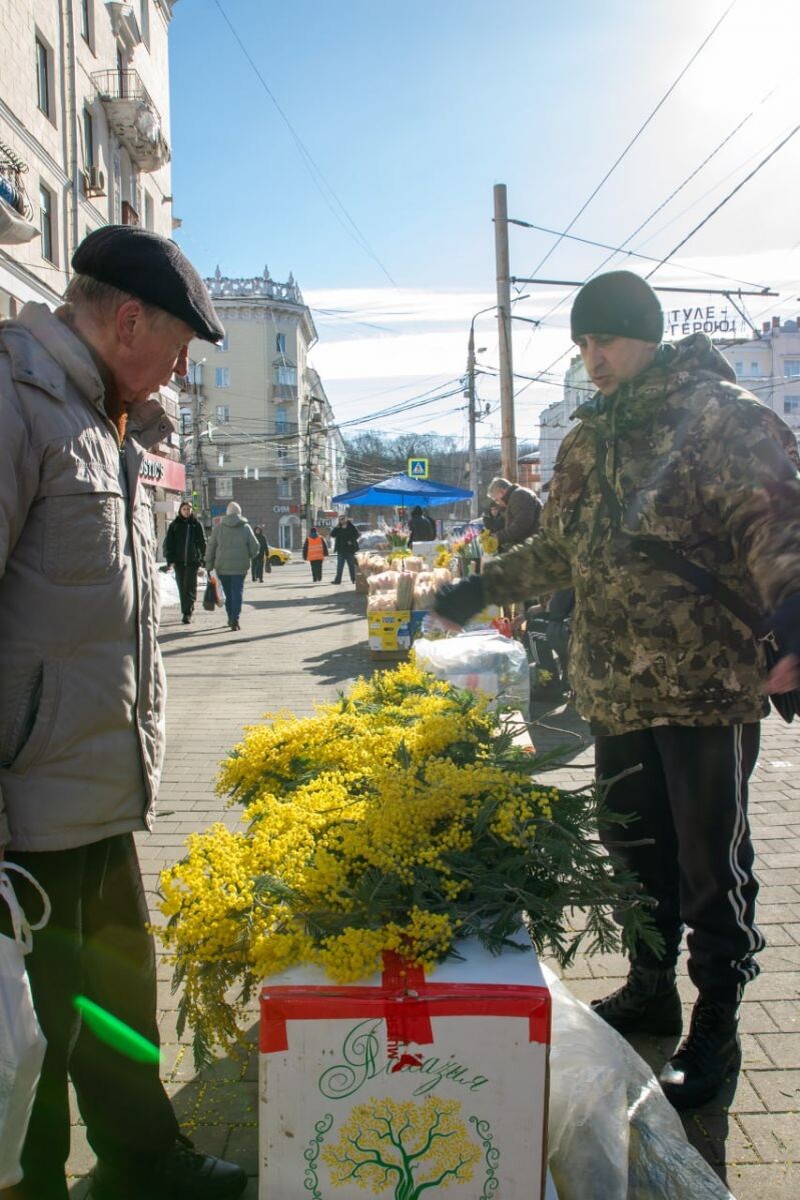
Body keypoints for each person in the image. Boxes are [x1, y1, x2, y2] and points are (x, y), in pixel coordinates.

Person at [434, 269, 800, 1111]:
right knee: (634, 847)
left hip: (704, 688)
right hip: (616, 689)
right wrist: (480, 589)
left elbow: (778, 523)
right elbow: (564, 549)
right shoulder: (586, 439)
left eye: (604, 340)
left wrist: (794, 613)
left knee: (713, 865)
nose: (592, 358)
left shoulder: (719, 417)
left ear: (645, 333)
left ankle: (719, 1019)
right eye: (582, 344)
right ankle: (650, 987)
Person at [0, 225, 247, 1199]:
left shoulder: (112, 426)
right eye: (181, 343)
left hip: (97, 791)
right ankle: (34, 1181)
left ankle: (143, 1161)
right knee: (31, 1033)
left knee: (114, 1001)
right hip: (26, 813)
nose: (184, 366)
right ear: (129, 318)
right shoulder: (18, 403)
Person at [204, 502, 259, 631]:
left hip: (222, 567)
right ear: (239, 513)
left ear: (227, 513)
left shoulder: (218, 528)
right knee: (237, 593)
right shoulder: (246, 527)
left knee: (228, 594)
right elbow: (255, 546)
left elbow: (211, 547)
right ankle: (235, 618)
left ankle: (230, 617)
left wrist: (209, 564)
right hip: (240, 567)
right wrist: (248, 556)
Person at [163, 501, 206, 624]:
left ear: (191, 511)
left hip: (193, 562)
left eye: (188, 509)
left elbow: (202, 542)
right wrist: (170, 560)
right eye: (184, 509)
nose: (187, 511)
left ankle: (187, 613)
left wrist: (203, 558)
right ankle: (186, 609)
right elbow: (169, 544)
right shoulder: (174, 525)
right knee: (182, 587)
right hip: (179, 562)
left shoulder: (196, 524)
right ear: (180, 511)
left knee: (190, 587)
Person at [486, 476, 542, 549]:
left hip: (533, 545)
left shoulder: (518, 495)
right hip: (531, 543)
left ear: (501, 491)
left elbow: (521, 525)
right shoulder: (516, 496)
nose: (498, 503)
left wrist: (497, 537)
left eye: (496, 500)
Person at [330, 514, 360, 584]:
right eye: (340, 519)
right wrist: (336, 528)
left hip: (350, 550)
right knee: (339, 567)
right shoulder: (339, 527)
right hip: (341, 550)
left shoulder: (351, 526)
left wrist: (351, 540)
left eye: (342, 519)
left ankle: (354, 579)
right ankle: (337, 580)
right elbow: (332, 535)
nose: (341, 520)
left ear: (346, 519)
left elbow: (357, 534)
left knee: (351, 566)